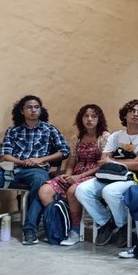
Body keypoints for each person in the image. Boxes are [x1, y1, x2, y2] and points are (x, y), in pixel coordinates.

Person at [0, 95, 70, 245]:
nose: (33, 110)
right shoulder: (13, 130)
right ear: (22, 111)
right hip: (12, 169)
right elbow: (5, 155)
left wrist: (41, 160)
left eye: (36, 107)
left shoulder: (49, 129)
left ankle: (30, 228)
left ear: (41, 110)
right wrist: (22, 162)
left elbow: (65, 151)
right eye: (29, 107)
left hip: (37, 170)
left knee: (40, 181)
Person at [75, 100, 138, 248]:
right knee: (81, 190)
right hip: (111, 175)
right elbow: (103, 161)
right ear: (124, 115)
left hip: (137, 178)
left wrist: (113, 160)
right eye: (131, 111)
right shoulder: (115, 136)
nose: (135, 114)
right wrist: (133, 159)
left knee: (110, 192)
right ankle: (108, 222)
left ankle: (123, 225)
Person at [37, 104, 110, 246]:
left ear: (99, 119)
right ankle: (60, 226)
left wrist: (78, 177)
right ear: (80, 119)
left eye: (94, 116)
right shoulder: (77, 137)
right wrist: (67, 175)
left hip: (95, 175)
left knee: (72, 191)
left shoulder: (105, 137)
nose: (89, 119)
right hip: (76, 173)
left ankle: (75, 231)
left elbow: (102, 164)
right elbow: (72, 160)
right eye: (86, 116)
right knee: (44, 191)